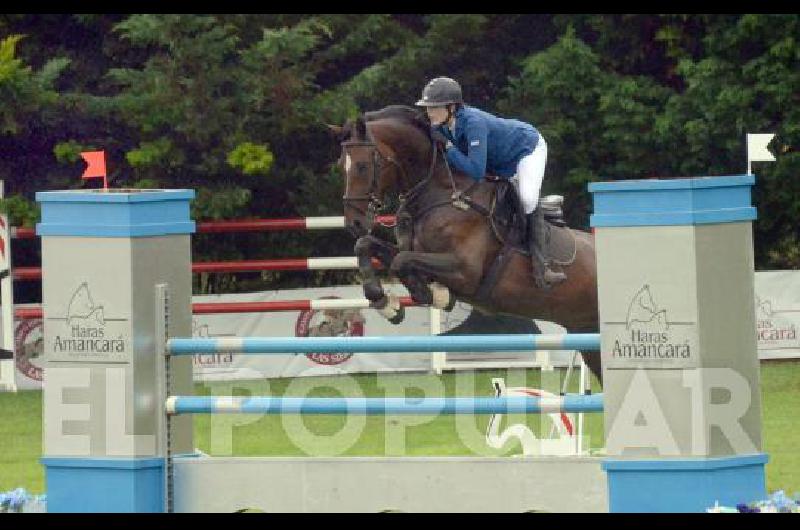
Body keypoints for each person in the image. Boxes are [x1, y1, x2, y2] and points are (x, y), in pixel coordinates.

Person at [415, 76, 566, 288]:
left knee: (527, 199)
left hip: (525, 150)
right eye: (427, 107)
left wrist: (449, 148)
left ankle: (542, 268)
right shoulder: (441, 124)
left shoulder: (473, 123)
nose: (429, 112)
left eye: (433, 107)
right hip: (499, 162)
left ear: (451, 107)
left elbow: (476, 171)